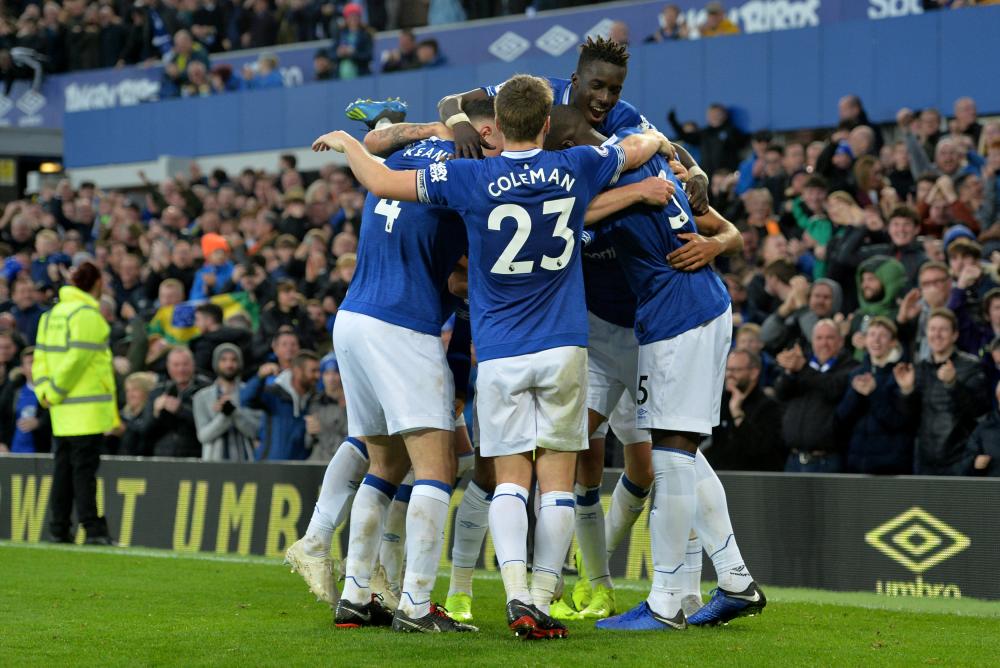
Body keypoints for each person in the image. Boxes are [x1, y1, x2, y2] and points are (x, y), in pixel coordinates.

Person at [313, 74, 668, 639]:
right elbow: (635, 148)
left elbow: (380, 179)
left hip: (500, 350)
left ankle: (514, 594)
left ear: (497, 124)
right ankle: (542, 599)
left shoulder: (471, 176)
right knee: (556, 482)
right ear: (547, 124)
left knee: (507, 481)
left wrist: (349, 142)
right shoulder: (576, 166)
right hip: (564, 345)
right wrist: (660, 144)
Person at [33, 262, 119, 545]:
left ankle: (58, 527)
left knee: (63, 470)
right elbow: (78, 361)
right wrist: (56, 390)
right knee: (83, 471)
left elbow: (40, 358)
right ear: (95, 283)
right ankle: (92, 528)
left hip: (60, 410)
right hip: (87, 409)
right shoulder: (88, 315)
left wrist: (45, 392)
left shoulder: (51, 315)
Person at [894, 309, 990, 475]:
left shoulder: (971, 366)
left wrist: (953, 384)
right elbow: (908, 419)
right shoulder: (919, 369)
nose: (936, 334)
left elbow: (979, 411)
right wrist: (907, 390)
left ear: (955, 335)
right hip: (924, 461)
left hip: (960, 460)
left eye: (943, 329)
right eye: (932, 329)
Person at [774, 319, 858, 473]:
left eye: (830, 338)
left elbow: (833, 389)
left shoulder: (850, 367)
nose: (824, 343)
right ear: (812, 342)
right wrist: (789, 372)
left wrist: (803, 368)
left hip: (827, 460)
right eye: (819, 338)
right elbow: (780, 393)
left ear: (840, 341)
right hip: (793, 459)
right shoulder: (802, 365)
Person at [835, 317, 914, 474]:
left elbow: (899, 421)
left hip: (891, 467)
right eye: (871, 335)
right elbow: (842, 418)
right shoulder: (856, 373)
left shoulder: (902, 374)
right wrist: (855, 393)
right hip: (856, 465)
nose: (876, 340)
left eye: (882, 335)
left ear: (893, 342)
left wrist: (873, 393)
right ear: (864, 340)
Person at [706, 349, 784, 472]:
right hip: (722, 477)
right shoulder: (721, 402)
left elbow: (759, 448)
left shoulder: (769, 407)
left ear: (754, 372)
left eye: (736, 370)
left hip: (753, 481)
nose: (729, 374)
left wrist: (737, 413)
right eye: (728, 369)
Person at [241, 351, 319, 461]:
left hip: (300, 470)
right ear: (297, 371)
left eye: (318, 371)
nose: (317, 375)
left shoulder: (315, 400)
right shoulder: (275, 394)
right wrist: (259, 377)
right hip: (270, 467)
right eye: (313, 371)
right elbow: (245, 400)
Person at [133, 347, 208, 458]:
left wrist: (181, 410)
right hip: (163, 455)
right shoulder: (158, 391)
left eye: (185, 364)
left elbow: (208, 425)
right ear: (168, 367)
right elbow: (145, 430)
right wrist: (155, 413)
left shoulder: (206, 389)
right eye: (176, 365)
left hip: (196, 455)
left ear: (193, 364)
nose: (181, 369)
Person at [193, 343, 261, 461]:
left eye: (234, 360)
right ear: (216, 364)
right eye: (223, 360)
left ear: (240, 363)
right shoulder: (202, 397)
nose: (229, 364)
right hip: (214, 465)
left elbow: (255, 431)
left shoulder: (251, 392)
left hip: (247, 463)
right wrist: (225, 415)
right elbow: (203, 436)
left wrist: (234, 412)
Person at [0, 347, 51, 454]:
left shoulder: (52, 391)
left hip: (43, 453)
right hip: (13, 453)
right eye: (31, 362)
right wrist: (2, 442)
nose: (36, 366)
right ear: (22, 368)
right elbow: (2, 417)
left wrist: (39, 423)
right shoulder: (13, 390)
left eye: (39, 362)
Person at [963, 380, 1000, 476]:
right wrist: (977, 467)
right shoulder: (983, 428)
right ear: (998, 396)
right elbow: (966, 467)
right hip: (992, 488)